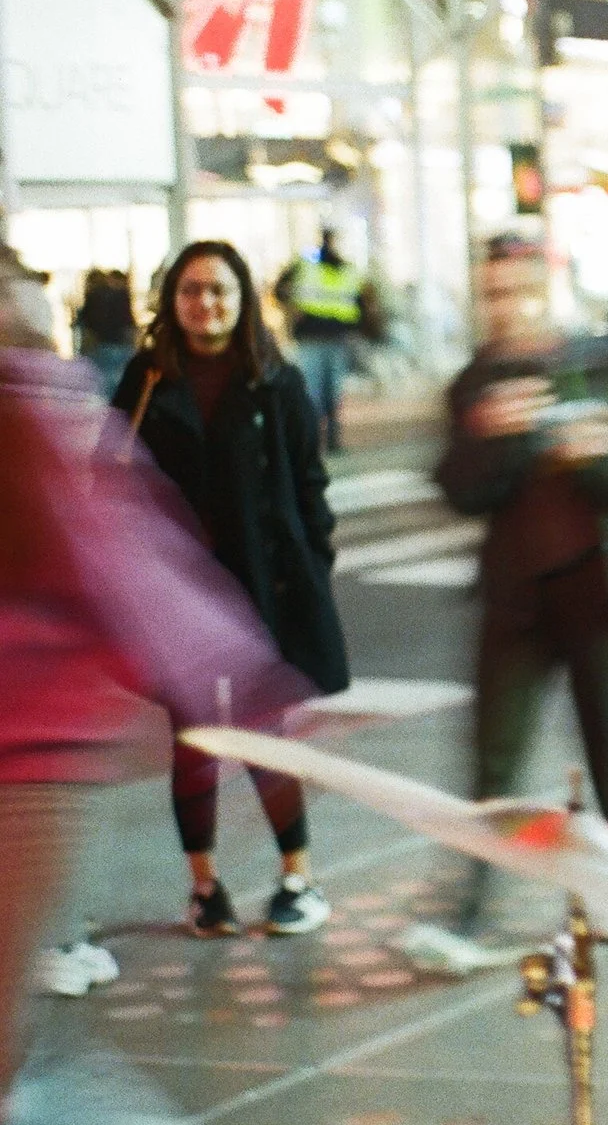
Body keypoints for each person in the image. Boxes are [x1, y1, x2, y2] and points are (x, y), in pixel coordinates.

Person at [4, 264, 309, 1023]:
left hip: (32, 740)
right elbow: (121, 549)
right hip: (33, 741)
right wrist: (233, 668)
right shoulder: (58, 396)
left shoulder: (34, 396)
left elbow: (121, 547)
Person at [434, 235, 608, 937]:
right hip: (516, 602)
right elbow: (458, 489)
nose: (506, 308)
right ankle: (471, 909)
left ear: (551, 284)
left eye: (518, 289)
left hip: (603, 595)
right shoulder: (475, 381)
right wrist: (488, 436)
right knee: (493, 762)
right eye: (491, 294)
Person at [113, 241, 347, 939]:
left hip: (261, 589)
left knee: (264, 735)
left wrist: (311, 565)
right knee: (192, 741)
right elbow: (112, 477)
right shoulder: (147, 379)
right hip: (178, 597)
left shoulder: (275, 380)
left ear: (243, 298)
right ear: (171, 299)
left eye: (218, 290)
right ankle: (205, 887)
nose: (205, 304)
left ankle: (298, 878)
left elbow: (310, 485)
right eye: (191, 291)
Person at [273, 227, 365, 452]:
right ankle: (312, 441)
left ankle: (331, 440)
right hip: (311, 339)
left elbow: (358, 304)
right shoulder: (305, 266)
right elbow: (280, 290)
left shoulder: (348, 270)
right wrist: (291, 308)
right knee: (312, 393)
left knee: (332, 393)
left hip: (336, 340)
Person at [72, 269, 137, 394]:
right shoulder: (122, 295)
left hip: (99, 347)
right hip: (122, 347)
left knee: (100, 390)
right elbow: (129, 323)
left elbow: (86, 325)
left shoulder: (93, 296)